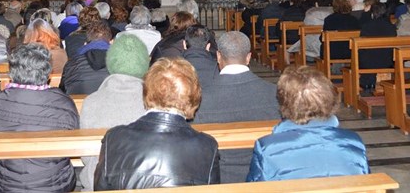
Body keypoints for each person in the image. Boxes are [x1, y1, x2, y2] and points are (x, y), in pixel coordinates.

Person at [94, 58, 220, 189]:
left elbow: (99, 189)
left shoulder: (114, 138)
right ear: (194, 96)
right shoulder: (207, 147)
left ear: (147, 91)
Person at [0, 44, 80, 193]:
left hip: (7, 184)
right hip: (56, 184)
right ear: (47, 73)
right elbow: (74, 128)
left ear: (11, 72)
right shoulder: (64, 103)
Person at [246, 66, 368, 182]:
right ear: (329, 99)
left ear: (284, 102)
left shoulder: (267, 148)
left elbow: (254, 187)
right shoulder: (354, 142)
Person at [194, 31, 279, 182]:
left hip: (220, 178)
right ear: (248, 57)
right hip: (265, 177)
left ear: (218, 56)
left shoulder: (201, 99)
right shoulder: (274, 93)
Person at [79, 35, 150, 191]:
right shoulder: (152, 103)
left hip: (97, 184)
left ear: (110, 62)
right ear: (145, 63)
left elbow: (86, 156)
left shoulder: (91, 102)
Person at [60, 20, 112, 95]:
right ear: (111, 42)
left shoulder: (71, 63)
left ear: (85, 44)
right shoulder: (119, 63)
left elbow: (62, 90)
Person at [358, 3, 396, 90]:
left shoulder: (366, 26)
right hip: (387, 61)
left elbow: (361, 46)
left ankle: (367, 83)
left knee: (365, 55)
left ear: (372, 13)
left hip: (368, 62)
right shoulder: (391, 27)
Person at [321, 0, 361, 67]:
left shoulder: (329, 19)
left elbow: (322, 38)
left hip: (332, 52)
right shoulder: (354, 19)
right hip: (350, 51)